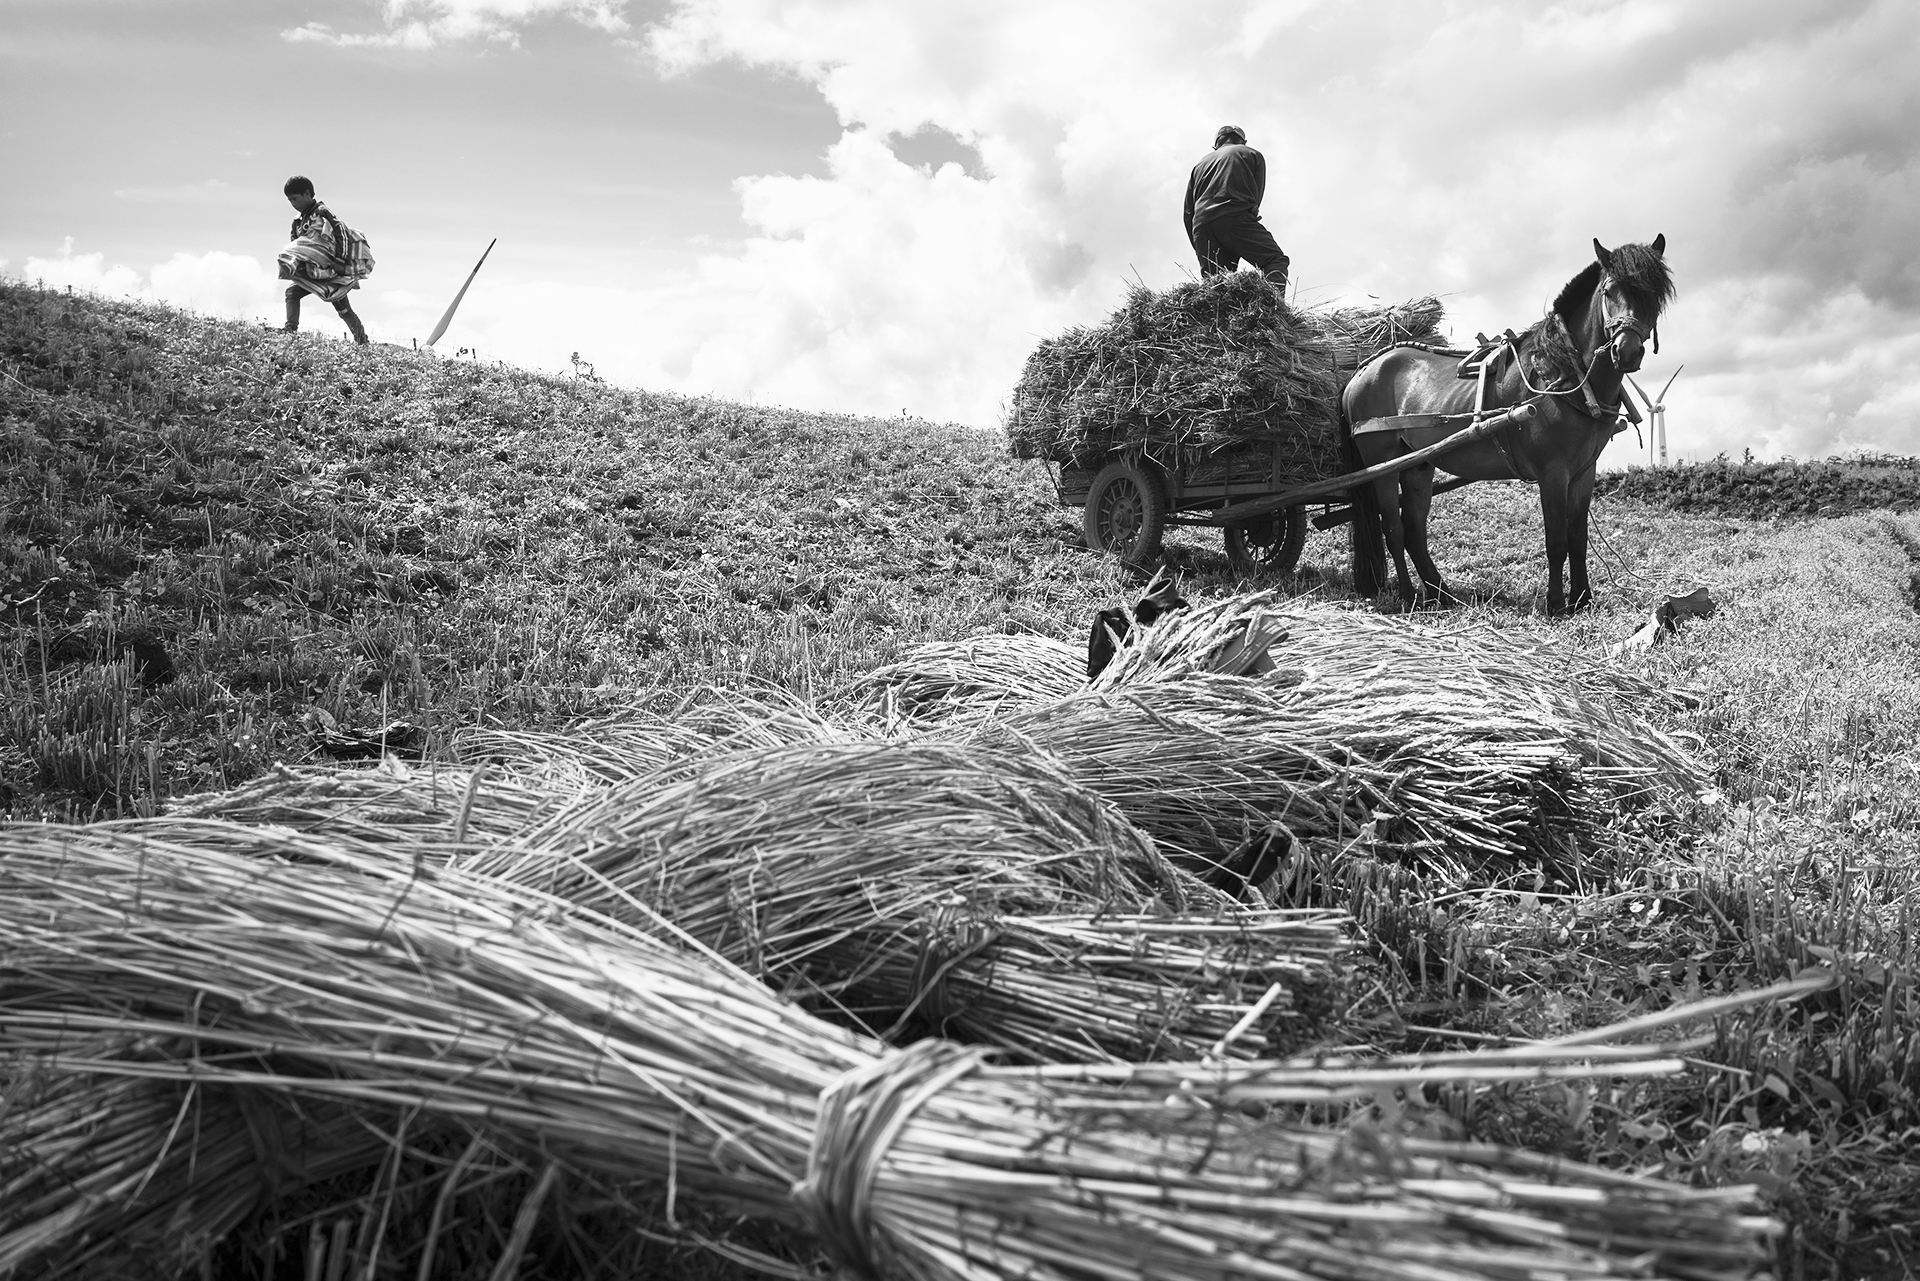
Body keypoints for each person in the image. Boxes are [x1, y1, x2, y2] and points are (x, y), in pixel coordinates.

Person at [1182, 125, 1290, 289]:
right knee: (1274, 260)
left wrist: (1201, 245)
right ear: (1243, 141)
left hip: (1202, 226)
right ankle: (1274, 310)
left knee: (1216, 286)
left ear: (1217, 144)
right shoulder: (1252, 154)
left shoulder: (1199, 166)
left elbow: (1188, 212)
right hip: (1235, 217)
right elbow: (1256, 198)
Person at [277, 176, 371, 344]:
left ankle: (362, 341)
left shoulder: (321, 211)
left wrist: (340, 261)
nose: (293, 203)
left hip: (330, 272)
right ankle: (290, 329)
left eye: (295, 199)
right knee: (292, 293)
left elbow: (340, 231)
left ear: (307, 194)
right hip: (311, 273)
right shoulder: (298, 222)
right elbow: (298, 245)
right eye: (289, 200)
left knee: (343, 309)